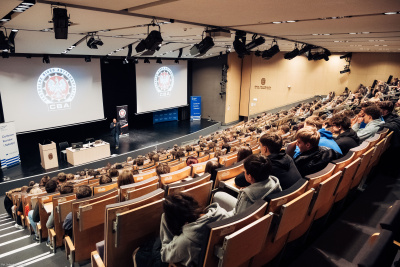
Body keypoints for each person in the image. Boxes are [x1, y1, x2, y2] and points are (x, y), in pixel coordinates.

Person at [158, 193, 230, 266]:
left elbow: (164, 256)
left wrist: (164, 222)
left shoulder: (187, 241)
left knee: (154, 250)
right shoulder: (223, 214)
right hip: (220, 261)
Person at [214, 154, 282, 215]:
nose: (244, 172)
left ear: (250, 177)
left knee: (217, 195)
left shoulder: (247, 196)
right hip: (260, 217)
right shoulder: (275, 184)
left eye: (245, 171)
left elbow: (238, 218)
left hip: (241, 218)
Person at [236, 133, 302, 190]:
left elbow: (239, 180)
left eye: (260, 146)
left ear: (265, 149)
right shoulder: (288, 157)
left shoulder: (265, 166)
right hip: (297, 195)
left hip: (281, 200)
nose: (260, 148)